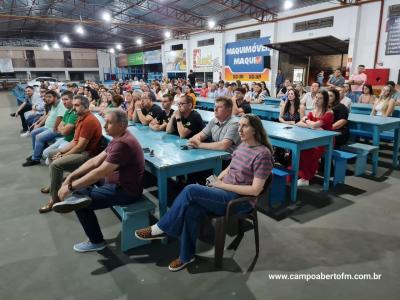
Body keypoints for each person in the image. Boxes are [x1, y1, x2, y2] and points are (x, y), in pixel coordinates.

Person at [135, 114, 273, 272]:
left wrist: (222, 185)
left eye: (245, 126)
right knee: (191, 209)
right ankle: (186, 256)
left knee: (190, 190)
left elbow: (255, 190)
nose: (239, 129)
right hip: (224, 191)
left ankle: (162, 228)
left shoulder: (263, 154)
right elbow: (231, 168)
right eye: (239, 125)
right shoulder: (243, 145)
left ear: (255, 130)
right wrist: (217, 179)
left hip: (239, 201)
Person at [52, 109, 145, 253]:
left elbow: (99, 172)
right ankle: (78, 195)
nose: (105, 125)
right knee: (80, 189)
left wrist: (70, 186)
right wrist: (72, 177)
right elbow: (95, 161)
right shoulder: (118, 137)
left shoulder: (123, 143)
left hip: (126, 191)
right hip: (114, 182)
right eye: (105, 121)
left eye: (109, 122)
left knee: (81, 204)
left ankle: (96, 241)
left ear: (121, 125)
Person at [39, 95, 103, 213]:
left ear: (85, 106)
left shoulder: (89, 121)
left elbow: (80, 147)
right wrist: (61, 151)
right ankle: (54, 185)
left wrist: (63, 155)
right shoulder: (80, 118)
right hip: (81, 151)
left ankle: (54, 199)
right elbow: (75, 141)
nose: (74, 108)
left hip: (87, 155)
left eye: (77, 105)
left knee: (55, 165)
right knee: (51, 154)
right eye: (74, 105)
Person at [296, 90, 334, 186]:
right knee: (301, 149)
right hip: (312, 138)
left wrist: (307, 120)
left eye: (320, 98)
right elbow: (299, 123)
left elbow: (313, 124)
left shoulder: (329, 113)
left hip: (325, 142)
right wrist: (312, 125)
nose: (317, 100)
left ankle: (306, 178)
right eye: (316, 97)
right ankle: (303, 173)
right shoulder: (312, 112)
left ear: (325, 100)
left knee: (308, 151)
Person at [23, 90, 66, 167]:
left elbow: (60, 117)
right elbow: (48, 115)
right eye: (46, 97)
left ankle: (35, 159)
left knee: (39, 137)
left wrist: (55, 128)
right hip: (47, 127)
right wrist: (39, 124)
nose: (47, 99)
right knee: (34, 132)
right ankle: (36, 153)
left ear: (55, 97)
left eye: (49, 97)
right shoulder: (53, 104)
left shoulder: (61, 104)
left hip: (55, 129)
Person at [42, 91, 78, 164]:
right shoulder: (67, 111)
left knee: (48, 161)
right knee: (45, 153)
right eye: (63, 100)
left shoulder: (74, 113)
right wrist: (62, 129)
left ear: (72, 100)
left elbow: (65, 132)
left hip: (70, 141)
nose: (64, 102)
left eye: (66, 99)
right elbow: (59, 127)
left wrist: (62, 129)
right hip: (64, 138)